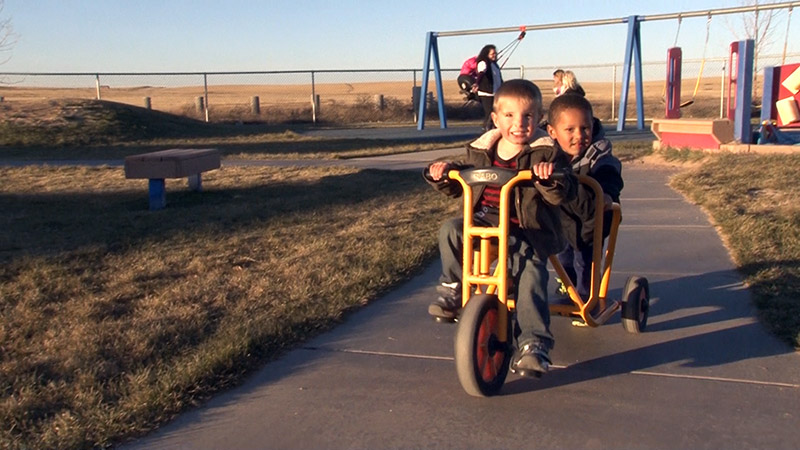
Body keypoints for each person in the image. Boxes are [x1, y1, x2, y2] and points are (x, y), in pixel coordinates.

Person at [424, 79, 577, 377]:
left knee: (531, 271)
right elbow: (462, 182)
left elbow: (565, 189)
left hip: (526, 228)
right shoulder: (483, 150)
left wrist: (549, 179)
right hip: (485, 221)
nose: (518, 124)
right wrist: (443, 174)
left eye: (527, 117)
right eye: (509, 116)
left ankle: (534, 343)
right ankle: (453, 288)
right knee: (450, 230)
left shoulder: (545, 153)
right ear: (495, 119)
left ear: (539, 118)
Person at [546, 94, 623, 303]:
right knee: (563, 256)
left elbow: (610, 175)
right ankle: (568, 286)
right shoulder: (546, 154)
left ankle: (587, 298)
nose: (579, 135)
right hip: (562, 217)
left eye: (585, 128)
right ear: (552, 132)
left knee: (584, 258)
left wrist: (607, 193)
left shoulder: (598, 154)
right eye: (570, 130)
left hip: (591, 218)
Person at [473, 44, 503, 131]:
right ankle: (486, 130)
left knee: (496, 112)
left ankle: (492, 129)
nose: (495, 55)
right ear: (486, 54)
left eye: (495, 53)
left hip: (496, 92)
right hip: (487, 93)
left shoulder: (495, 65)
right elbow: (481, 73)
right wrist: (477, 83)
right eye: (492, 54)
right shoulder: (483, 62)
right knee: (490, 113)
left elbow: (498, 79)